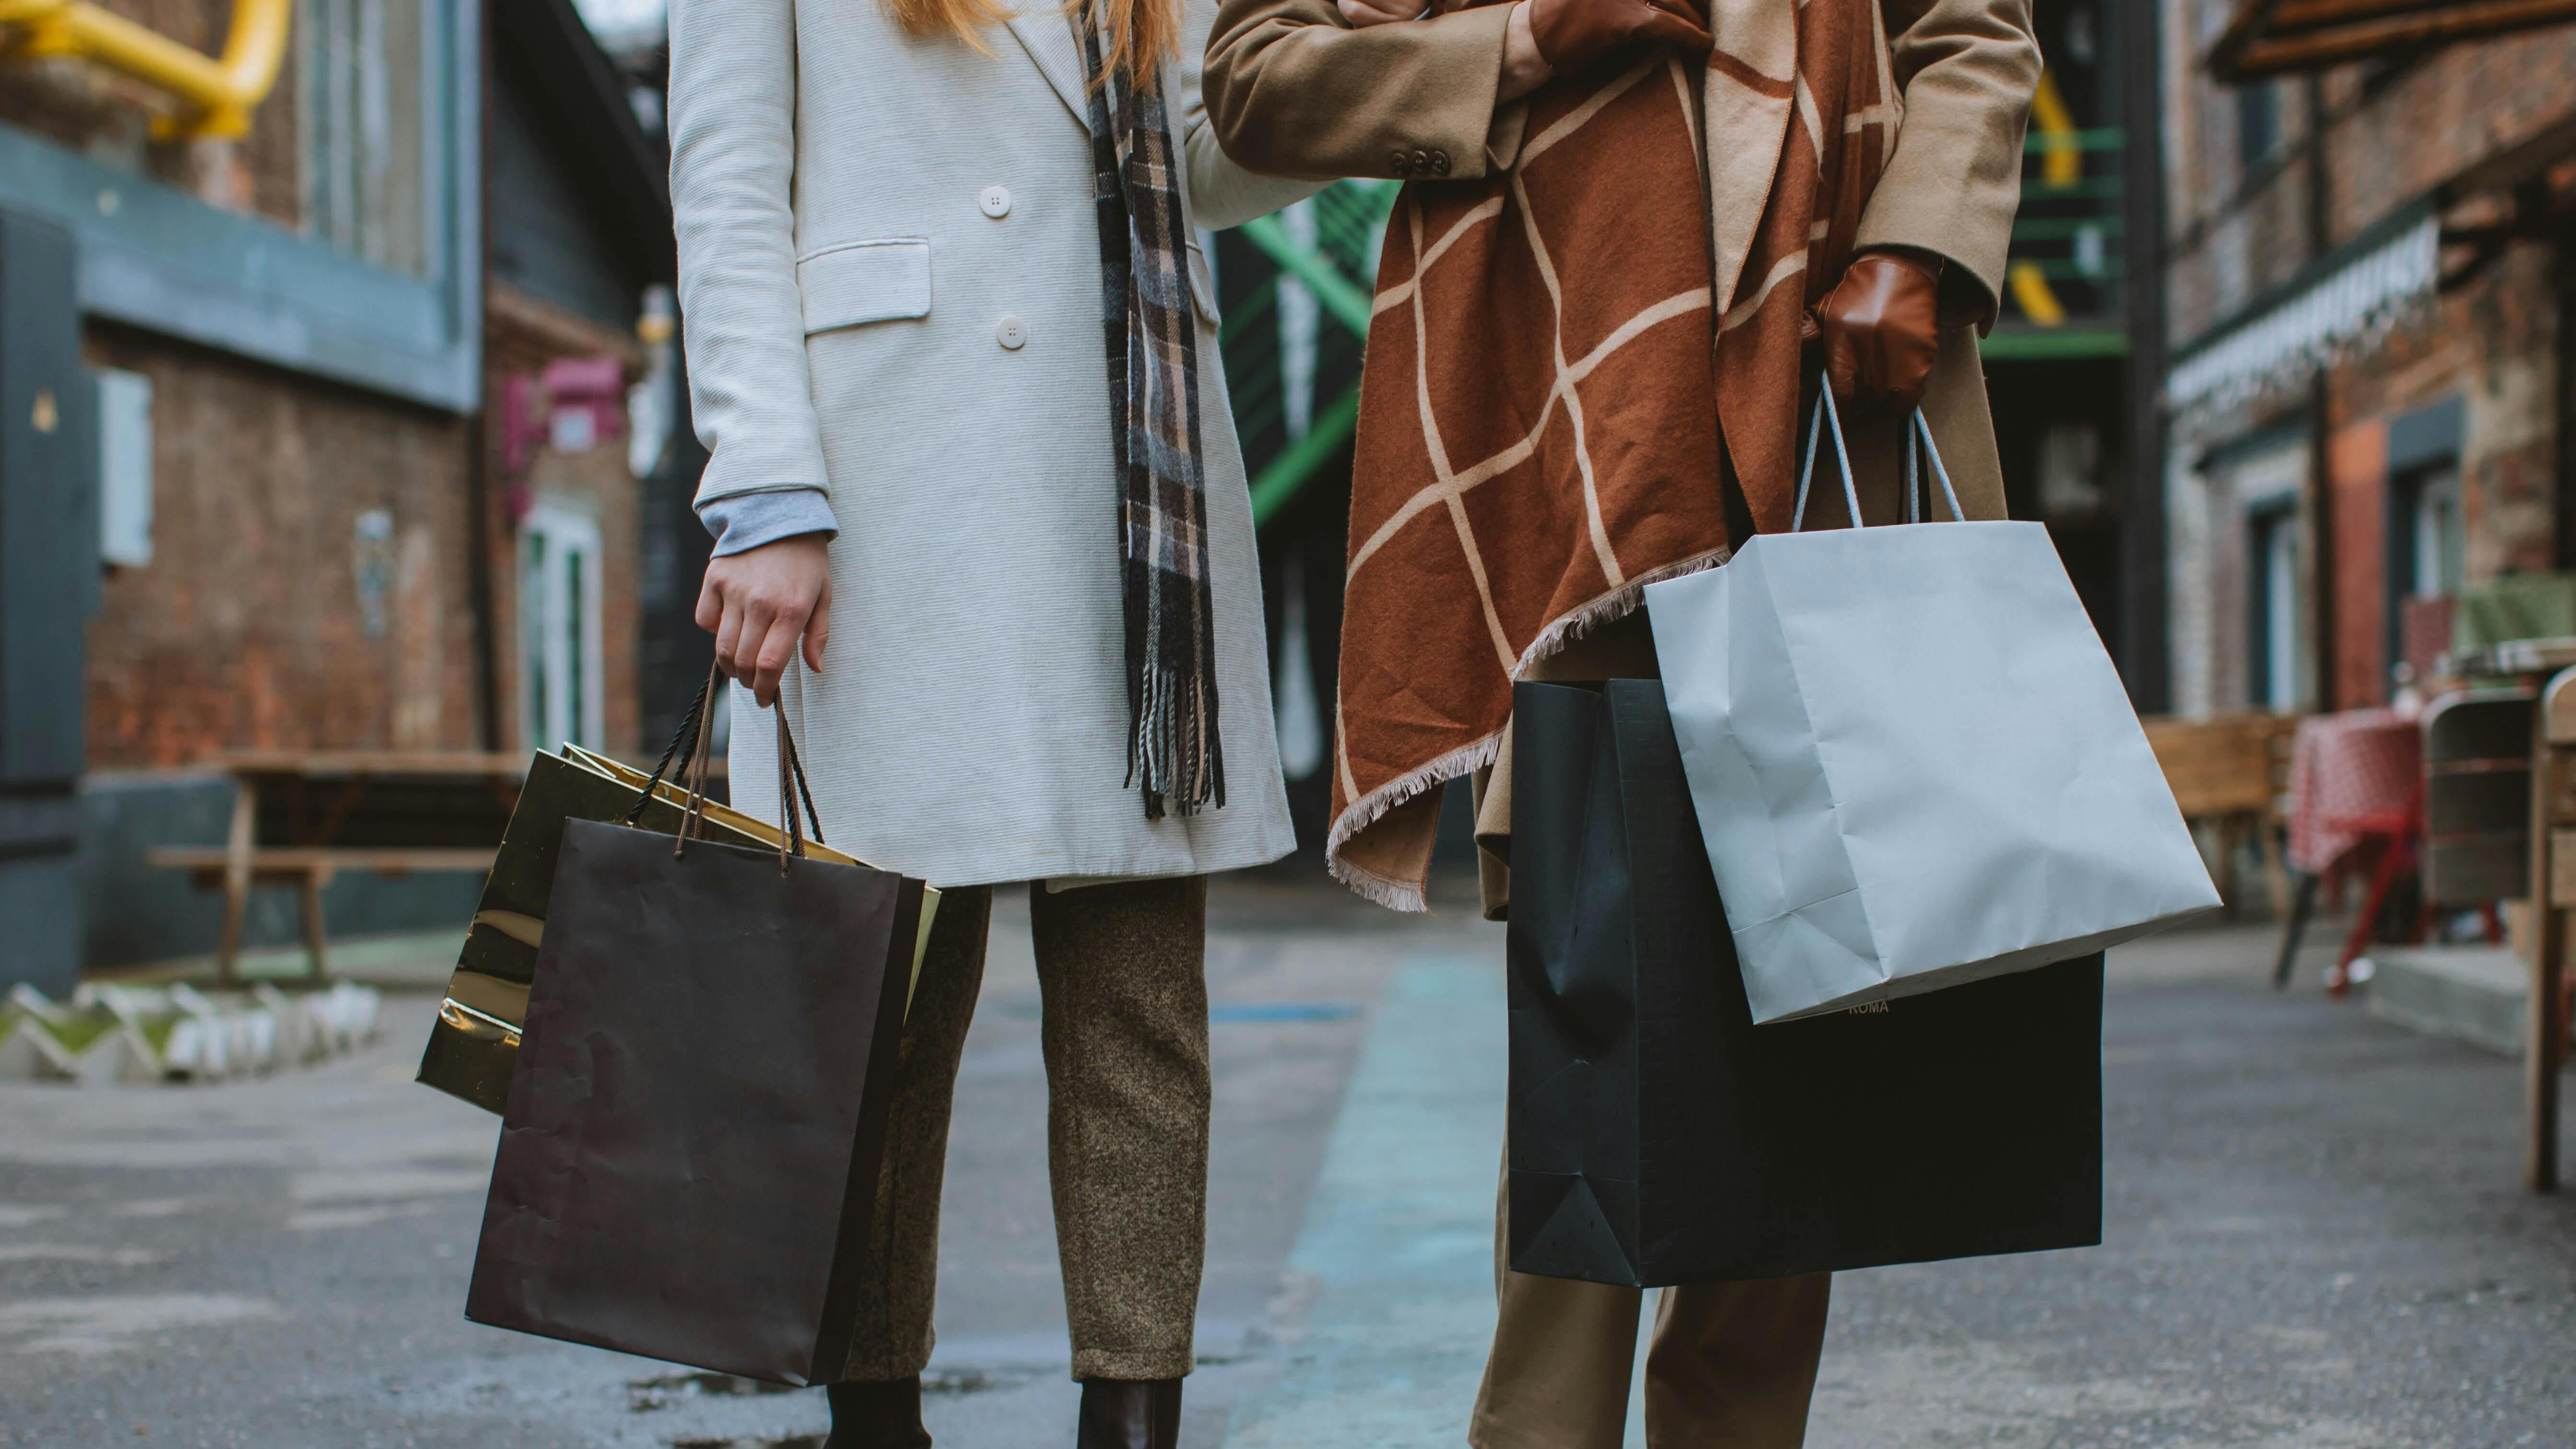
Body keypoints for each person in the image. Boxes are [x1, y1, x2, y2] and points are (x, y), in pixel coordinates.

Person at [1199, 0, 2039, 1444]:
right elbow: (1257, 78)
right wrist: (1525, 37)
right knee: (1596, 1012)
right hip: (1560, 459)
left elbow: (1972, 30)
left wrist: (1923, 239)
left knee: (1829, 994)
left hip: (1822, 395)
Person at [665, 0, 1317, 1439]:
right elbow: (724, 183)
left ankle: (1134, 1418)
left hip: (1123, 481)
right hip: (887, 482)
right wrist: (766, 485)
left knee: (1142, 1008)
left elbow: (1209, 156)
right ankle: (875, 1413)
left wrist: (1360, 84)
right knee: (875, 1009)